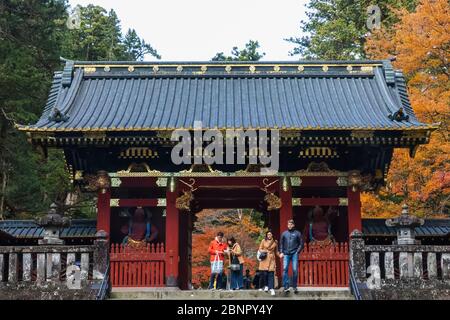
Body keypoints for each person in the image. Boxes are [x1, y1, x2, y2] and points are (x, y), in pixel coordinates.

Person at [280, 219, 304, 294]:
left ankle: (294, 286)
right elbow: (281, 243)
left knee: (294, 270)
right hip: (286, 253)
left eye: (291, 224)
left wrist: (297, 251)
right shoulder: (284, 234)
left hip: (294, 253)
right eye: (288, 224)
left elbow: (301, 244)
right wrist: (281, 252)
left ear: (293, 225)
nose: (289, 226)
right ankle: (286, 286)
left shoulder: (297, 233)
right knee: (285, 269)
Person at [258, 230, 280, 296]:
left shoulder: (275, 242)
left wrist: (280, 255)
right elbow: (260, 248)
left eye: (270, 234)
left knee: (271, 273)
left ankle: (272, 288)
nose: (269, 235)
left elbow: (276, 251)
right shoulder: (263, 241)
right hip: (265, 258)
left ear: (272, 235)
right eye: (268, 234)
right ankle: (266, 286)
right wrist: (265, 251)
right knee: (265, 273)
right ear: (266, 235)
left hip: (271, 259)